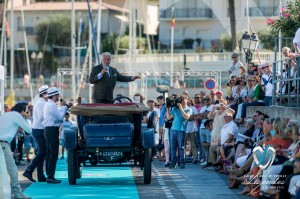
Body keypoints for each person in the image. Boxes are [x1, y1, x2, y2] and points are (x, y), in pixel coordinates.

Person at [0, 103, 32, 199]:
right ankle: (18, 193)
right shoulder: (17, 116)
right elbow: (29, 130)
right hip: (3, 144)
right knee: (12, 169)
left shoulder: (5, 114)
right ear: (22, 111)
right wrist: (26, 118)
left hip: (3, 143)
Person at [43, 87, 69, 183]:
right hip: (52, 130)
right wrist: (63, 107)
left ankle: (49, 175)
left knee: (50, 153)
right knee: (53, 153)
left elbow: (58, 117)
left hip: (49, 130)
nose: (58, 97)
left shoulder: (48, 104)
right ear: (54, 96)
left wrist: (65, 107)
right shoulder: (52, 105)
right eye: (57, 95)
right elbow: (60, 116)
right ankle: (50, 176)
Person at [23, 85, 48, 183]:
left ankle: (40, 175)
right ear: (43, 94)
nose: (48, 95)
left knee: (41, 152)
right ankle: (29, 170)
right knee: (42, 152)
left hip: (38, 129)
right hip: (39, 130)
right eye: (47, 93)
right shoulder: (41, 103)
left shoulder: (41, 102)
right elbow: (42, 117)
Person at [166, 94, 192, 169]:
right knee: (173, 147)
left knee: (181, 147)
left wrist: (181, 108)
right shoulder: (175, 109)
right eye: (181, 100)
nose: (182, 101)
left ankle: (182, 162)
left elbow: (186, 117)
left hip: (181, 130)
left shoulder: (188, 109)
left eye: (184, 100)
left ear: (187, 100)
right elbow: (168, 118)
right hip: (173, 130)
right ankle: (173, 163)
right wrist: (168, 109)